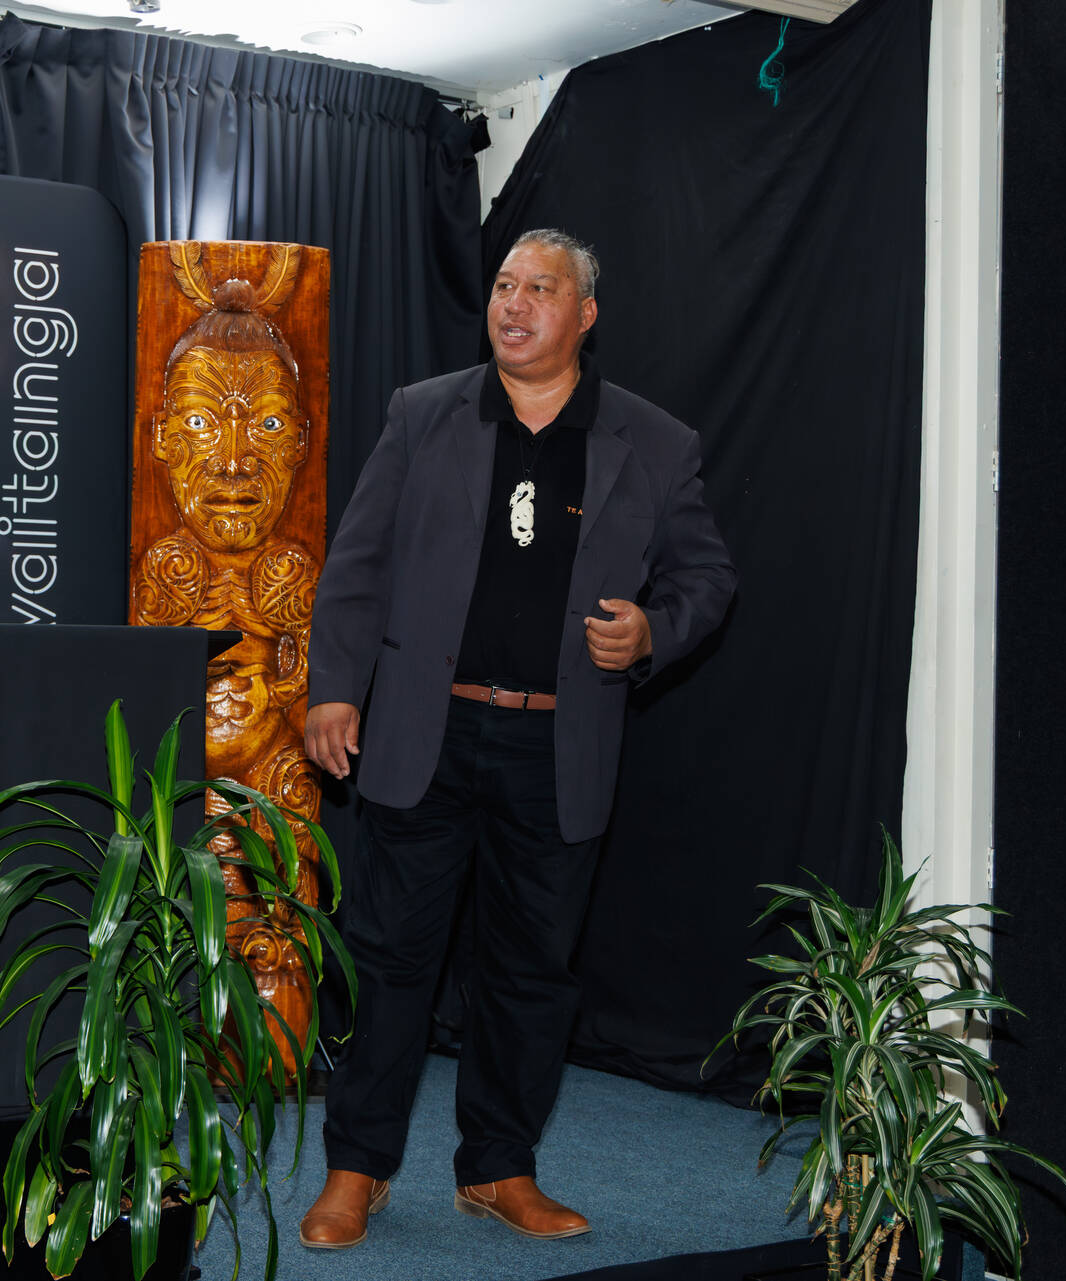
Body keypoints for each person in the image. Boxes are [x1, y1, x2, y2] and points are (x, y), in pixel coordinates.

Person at [297, 229, 735, 1248]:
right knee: (390, 960)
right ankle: (356, 1169)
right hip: (426, 729)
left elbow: (708, 577)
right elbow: (357, 564)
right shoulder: (422, 414)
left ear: (585, 315)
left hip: (558, 745)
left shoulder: (653, 440)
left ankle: (499, 1168)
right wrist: (334, 691)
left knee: (531, 970)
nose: (515, 302)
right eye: (504, 284)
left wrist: (653, 631)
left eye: (541, 288)